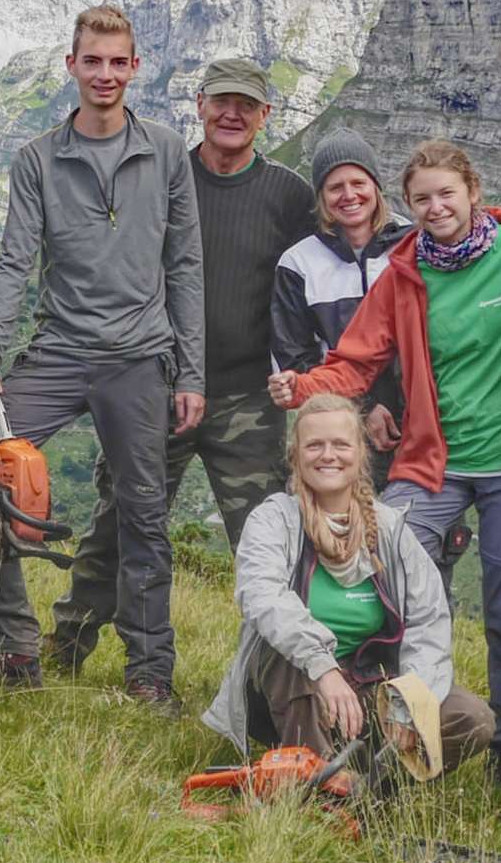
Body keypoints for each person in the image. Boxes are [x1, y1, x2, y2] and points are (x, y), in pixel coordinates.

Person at [270, 140, 501, 793]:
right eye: (422, 197)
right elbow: (356, 359)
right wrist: (304, 387)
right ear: (410, 205)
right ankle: (384, 732)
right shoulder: (405, 271)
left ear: (473, 191)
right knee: (382, 572)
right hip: (433, 461)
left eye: (447, 193)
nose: (435, 207)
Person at [0, 5, 205, 707]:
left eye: (117, 61)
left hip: (139, 356)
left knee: (144, 511)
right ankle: (14, 644)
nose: (104, 74)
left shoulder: (163, 150)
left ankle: (149, 671)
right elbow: (15, 265)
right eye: (91, 61)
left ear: (136, 67)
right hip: (59, 350)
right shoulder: (41, 157)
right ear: (70, 66)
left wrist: (190, 373)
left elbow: (184, 264)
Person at [52, 57, 314, 676]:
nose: (232, 114)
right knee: (117, 525)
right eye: (221, 101)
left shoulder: (289, 194)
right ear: (198, 105)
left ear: (266, 117)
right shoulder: (164, 175)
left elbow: (345, 247)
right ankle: (65, 647)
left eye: (247, 105)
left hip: (249, 402)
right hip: (154, 389)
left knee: (266, 545)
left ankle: (277, 680)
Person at [203, 395, 496, 770]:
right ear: (296, 456)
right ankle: (320, 778)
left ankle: (378, 778)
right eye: (314, 445)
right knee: (285, 652)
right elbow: (263, 597)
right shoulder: (273, 520)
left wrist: (407, 703)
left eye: (341, 444)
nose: (328, 455)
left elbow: (427, 620)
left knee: (471, 719)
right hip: (294, 689)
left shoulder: (390, 529)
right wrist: (323, 668)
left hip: (371, 685)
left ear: (360, 454)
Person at [269, 129, 413, 467]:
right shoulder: (298, 263)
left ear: (375, 186)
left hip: (419, 422)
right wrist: (363, 410)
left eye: (358, 183)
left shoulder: (413, 245)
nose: (349, 195)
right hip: (340, 426)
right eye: (335, 187)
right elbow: (295, 358)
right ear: (321, 196)